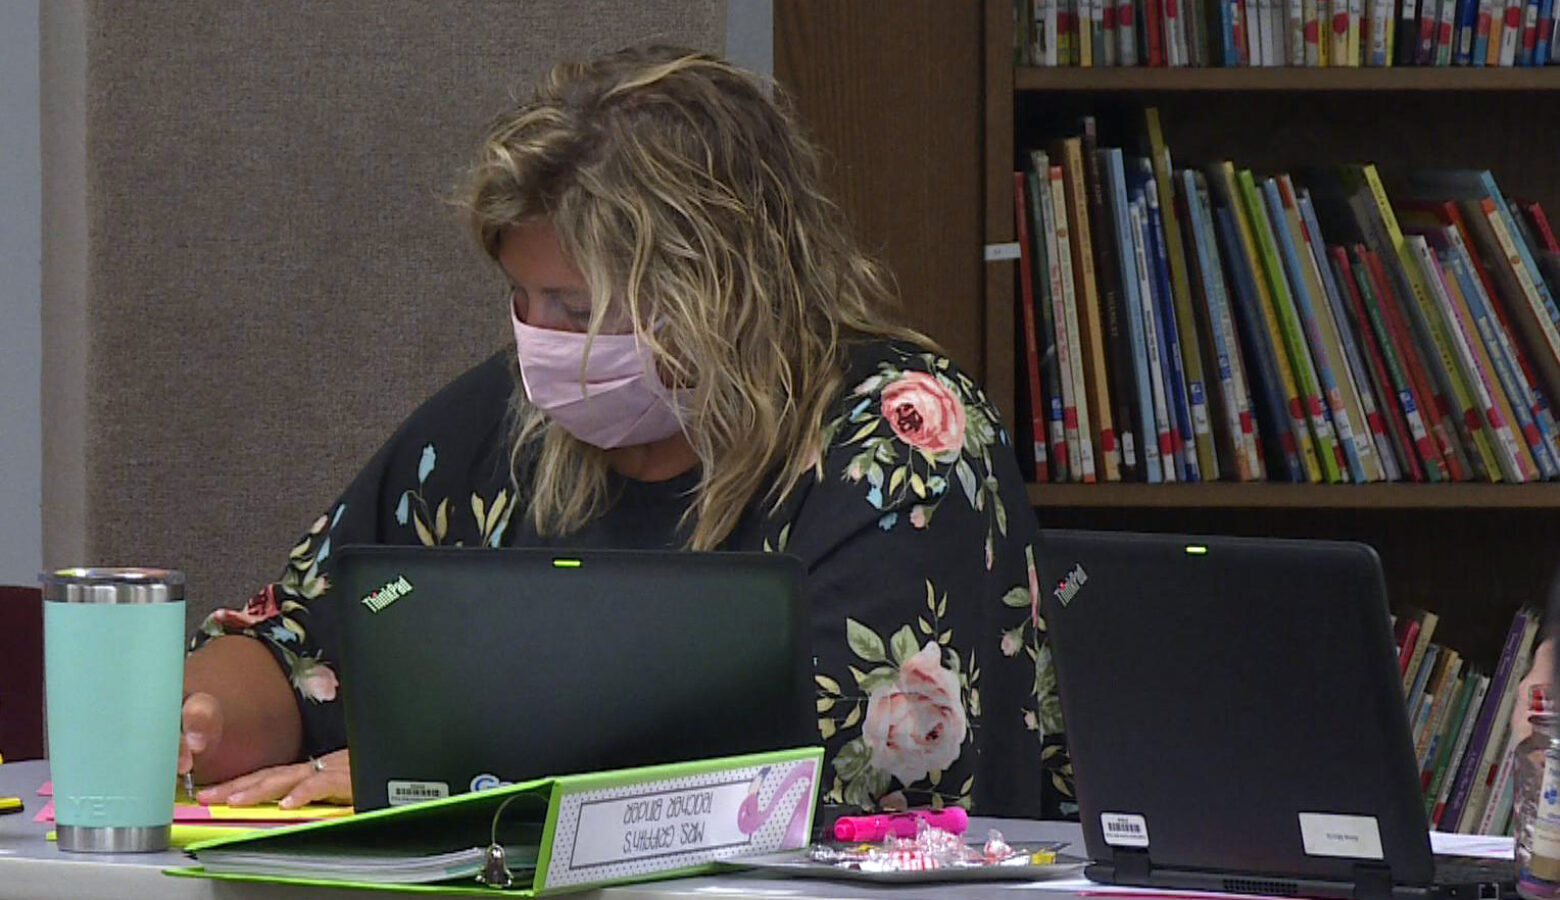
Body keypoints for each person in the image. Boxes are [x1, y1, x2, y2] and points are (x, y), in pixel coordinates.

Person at [176, 45, 1071, 819]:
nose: (540, 341)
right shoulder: (503, 425)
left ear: (720, 284)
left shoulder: (897, 443)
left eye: (574, 306)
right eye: (521, 301)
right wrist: (204, 719)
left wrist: (451, 784)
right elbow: (300, 640)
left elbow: (834, 781)